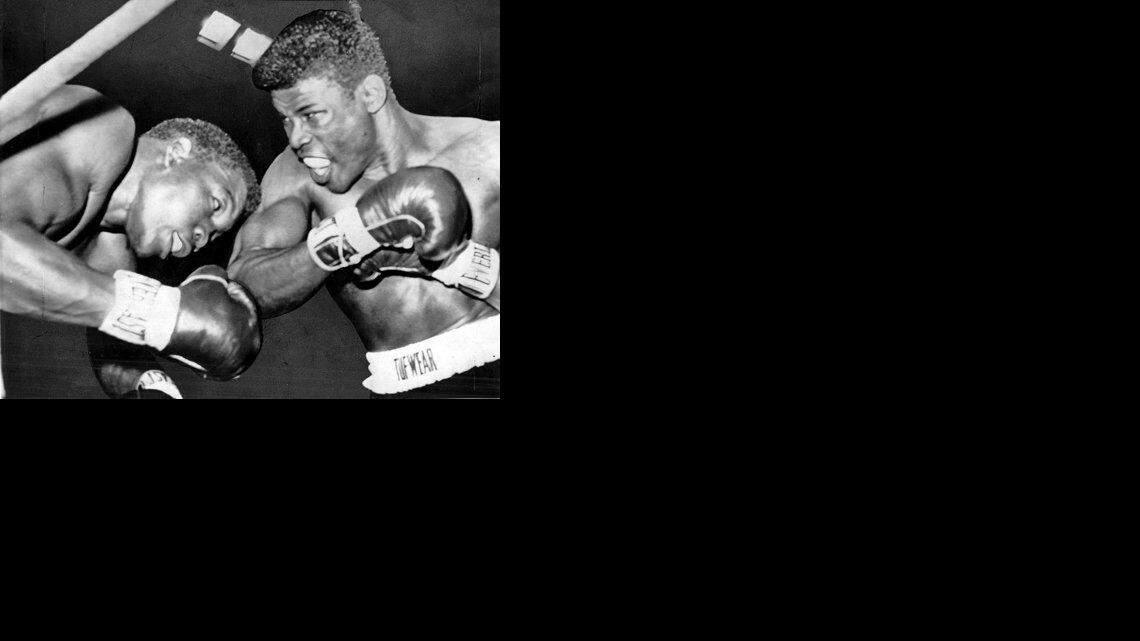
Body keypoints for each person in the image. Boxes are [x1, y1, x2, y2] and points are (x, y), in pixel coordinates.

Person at [229, 8, 500, 398]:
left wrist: (459, 263)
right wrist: (347, 239)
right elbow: (243, 284)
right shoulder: (295, 174)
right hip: (398, 386)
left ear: (370, 94)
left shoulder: (485, 148)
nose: (296, 138)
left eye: (310, 114)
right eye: (286, 120)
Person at [0, 84, 263, 399]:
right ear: (177, 154)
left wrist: (154, 389)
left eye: (214, 235)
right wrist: (162, 315)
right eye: (216, 205)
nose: (202, 236)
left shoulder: (111, 251)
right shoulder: (106, 128)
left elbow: (116, 344)